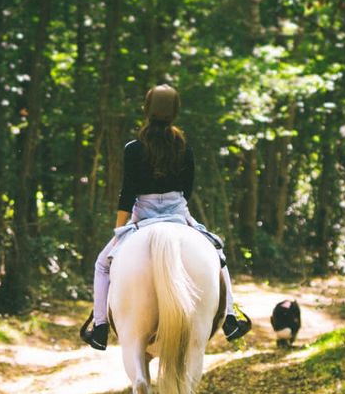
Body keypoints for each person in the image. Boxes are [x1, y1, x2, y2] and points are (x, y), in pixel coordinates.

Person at [80, 84, 252, 351]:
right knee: (217, 253)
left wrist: (117, 233)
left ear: (146, 110)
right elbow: (188, 190)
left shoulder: (133, 148)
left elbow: (127, 195)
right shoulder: (185, 149)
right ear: (175, 112)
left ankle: (100, 325)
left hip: (142, 216)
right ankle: (230, 316)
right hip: (177, 213)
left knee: (102, 265)